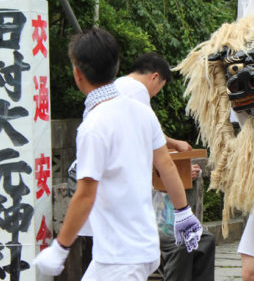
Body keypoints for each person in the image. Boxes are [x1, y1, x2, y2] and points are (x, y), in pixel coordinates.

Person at [33, 28, 202, 279]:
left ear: (77, 74)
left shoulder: (93, 125)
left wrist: (60, 248)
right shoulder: (141, 111)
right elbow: (166, 165)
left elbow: (85, 193)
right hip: (136, 247)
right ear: (116, 66)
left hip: (120, 256)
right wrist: (183, 212)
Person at [116, 52, 216, 281]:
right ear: (155, 77)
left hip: (128, 201)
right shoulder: (136, 92)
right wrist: (180, 173)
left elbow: (152, 140)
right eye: (160, 86)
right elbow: (160, 159)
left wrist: (172, 144)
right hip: (132, 212)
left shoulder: (120, 88)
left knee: (200, 239)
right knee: (185, 242)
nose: (157, 92)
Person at [115, 52, 192, 152]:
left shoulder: (118, 84)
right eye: (160, 88)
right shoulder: (137, 89)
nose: (155, 94)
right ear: (154, 77)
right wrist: (176, 144)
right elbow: (152, 134)